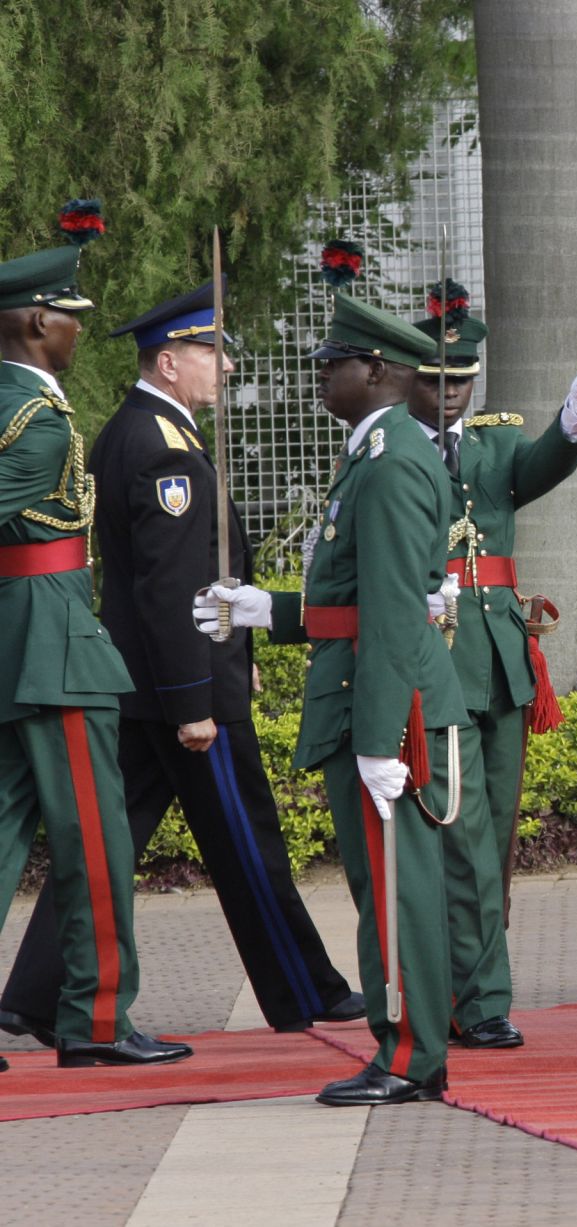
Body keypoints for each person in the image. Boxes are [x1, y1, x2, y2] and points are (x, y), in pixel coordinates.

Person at [0, 281, 362, 1041]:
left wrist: (237, 652)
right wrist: (198, 694)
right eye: (210, 352)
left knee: (105, 842)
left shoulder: (137, 430)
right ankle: (307, 989)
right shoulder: (163, 448)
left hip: (138, 682)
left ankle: (32, 996)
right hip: (179, 688)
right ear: (169, 363)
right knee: (247, 837)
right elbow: (169, 589)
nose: (224, 367)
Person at [197, 291, 467, 1105]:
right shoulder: (373, 453)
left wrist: (381, 736)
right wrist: (267, 608)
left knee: (395, 887)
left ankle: (410, 1053)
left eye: (333, 363)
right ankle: (406, 1043)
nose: (321, 375)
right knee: (381, 884)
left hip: (390, 707)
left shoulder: (386, 464)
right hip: (374, 690)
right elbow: (359, 597)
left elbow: (388, 609)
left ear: (376, 370)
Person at [0, 214, 191, 1069]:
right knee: (99, 840)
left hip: (20, 638)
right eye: (70, 313)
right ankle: (97, 1019)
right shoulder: (34, 418)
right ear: (38, 322)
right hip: (55, 643)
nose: (81, 326)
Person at [403, 283, 577, 1050]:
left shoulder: (490, 443)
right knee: (460, 838)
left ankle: (480, 994)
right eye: (438, 380)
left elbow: (533, 471)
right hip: (440, 663)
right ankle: (472, 998)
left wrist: (572, 423)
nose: (452, 395)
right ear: (410, 378)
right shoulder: (392, 445)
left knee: (495, 843)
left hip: (499, 662)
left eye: (463, 381)